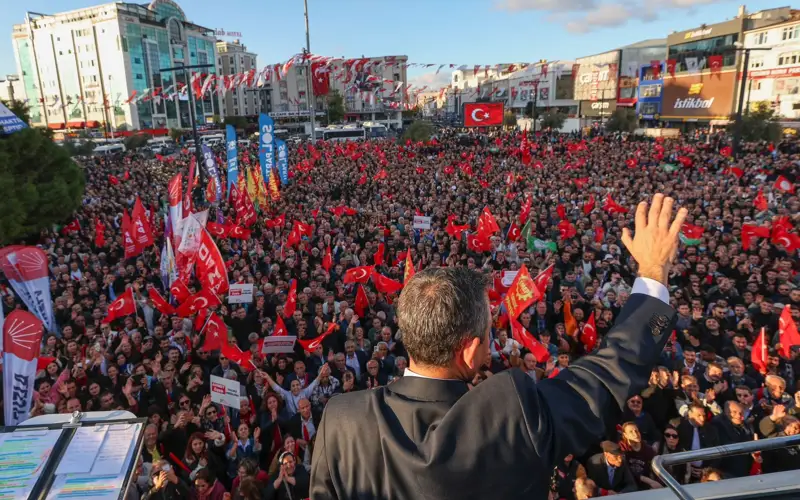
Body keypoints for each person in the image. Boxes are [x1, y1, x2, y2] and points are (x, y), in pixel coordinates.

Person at [310, 194, 687, 499]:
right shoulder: (516, 414)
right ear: (470, 351)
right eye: (488, 334)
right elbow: (609, 373)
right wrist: (653, 272)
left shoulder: (341, 419)